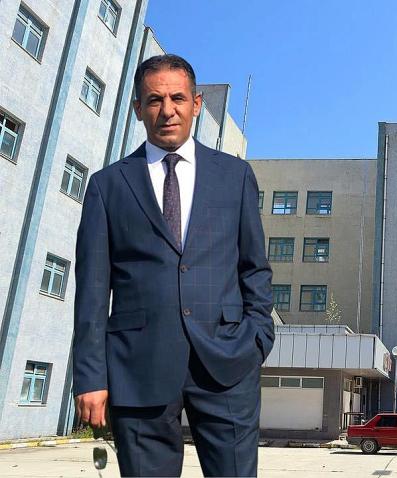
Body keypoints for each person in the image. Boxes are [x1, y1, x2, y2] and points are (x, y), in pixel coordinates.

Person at [73, 54, 274, 477]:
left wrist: (257, 338)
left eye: (178, 98)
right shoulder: (108, 186)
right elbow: (92, 289)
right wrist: (90, 376)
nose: (168, 111)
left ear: (196, 104)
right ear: (137, 108)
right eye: (154, 100)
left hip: (227, 364)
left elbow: (254, 268)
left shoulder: (235, 176)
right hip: (137, 367)